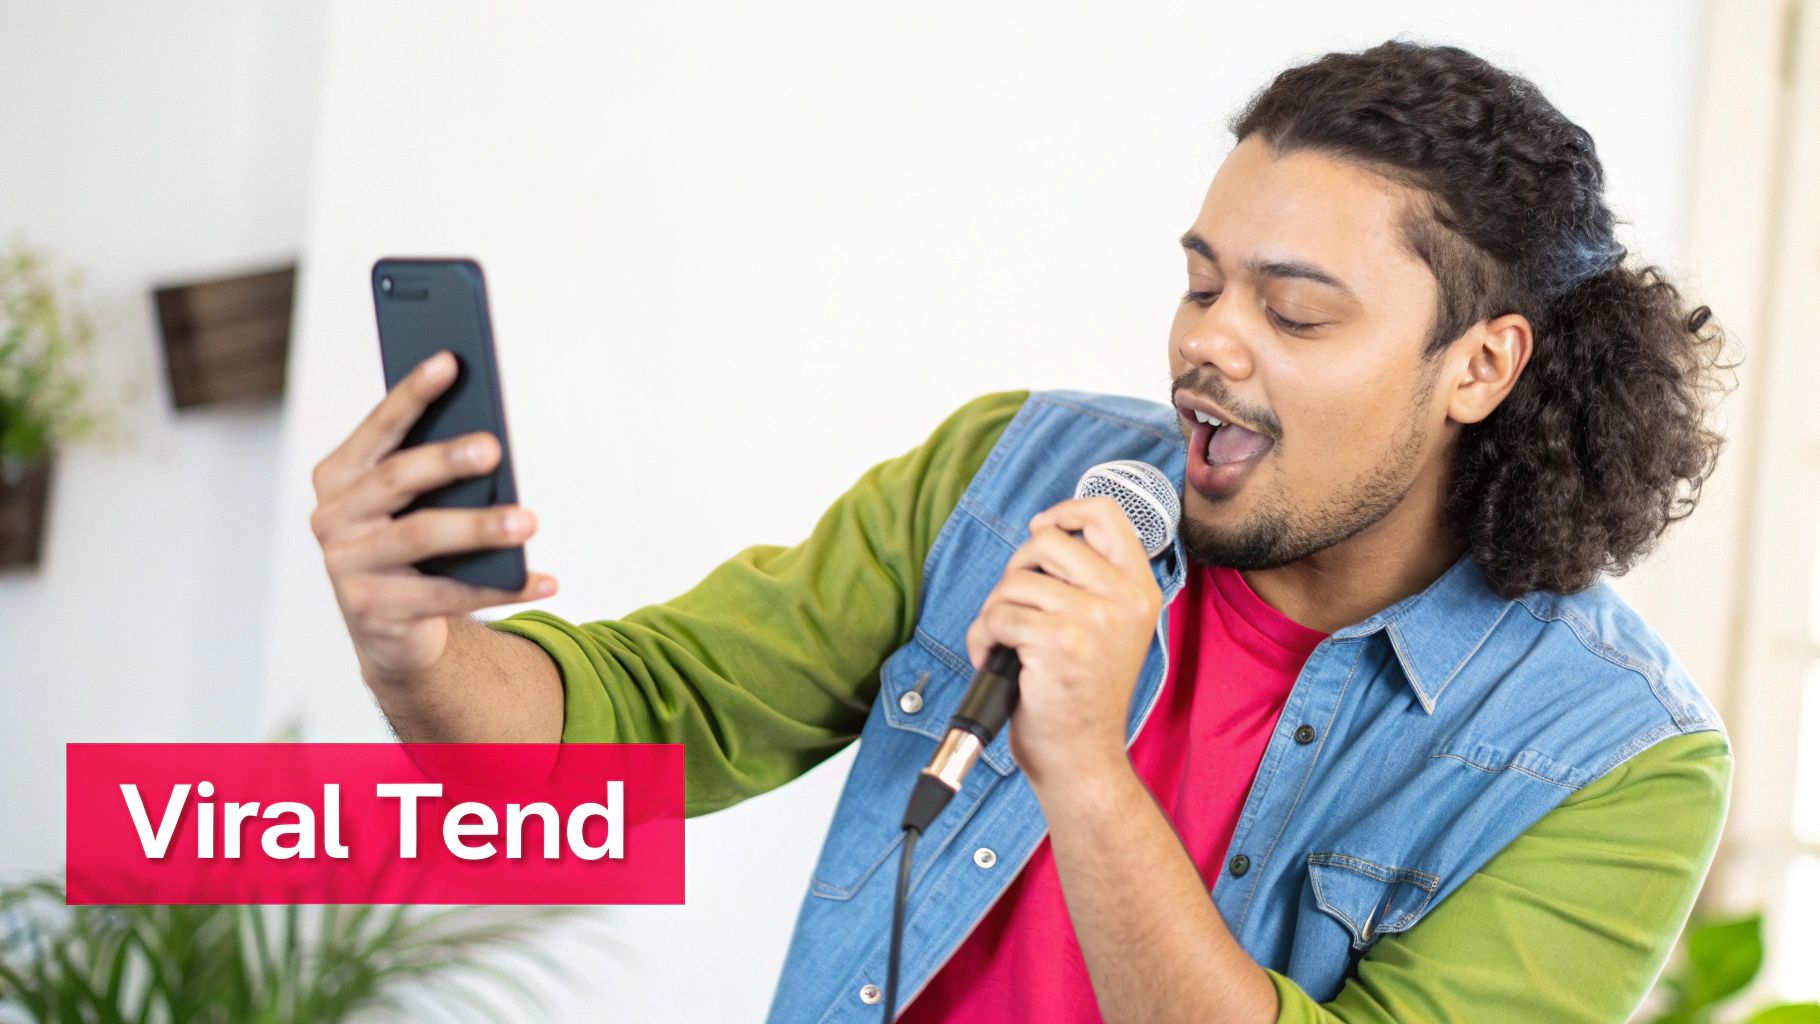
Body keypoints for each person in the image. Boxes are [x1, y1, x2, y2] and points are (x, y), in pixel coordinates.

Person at [308, 40, 1732, 1023]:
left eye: (1295, 312)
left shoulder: (1616, 763)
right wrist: (420, 652)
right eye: (1201, 285)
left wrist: (1089, 772)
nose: (1209, 348)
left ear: (1479, 367)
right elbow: (629, 735)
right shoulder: (1011, 476)